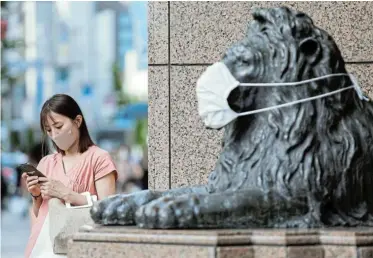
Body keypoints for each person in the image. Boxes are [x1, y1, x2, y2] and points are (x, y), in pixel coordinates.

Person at [22, 94, 117, 258]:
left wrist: (66, 194)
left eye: (58, 126)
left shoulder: (99, 158)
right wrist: (36, 196)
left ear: (77, 121)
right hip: (43, 249)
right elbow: (39, 216)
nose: (54, 134)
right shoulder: (46, 162)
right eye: (49, 130)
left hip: (80, 248)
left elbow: (108, 211)